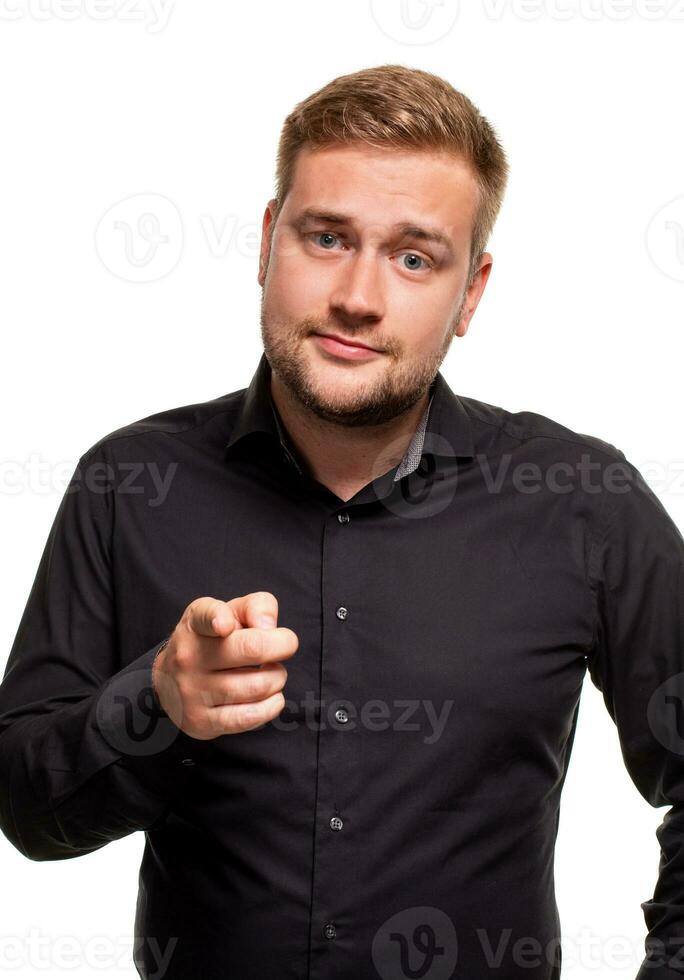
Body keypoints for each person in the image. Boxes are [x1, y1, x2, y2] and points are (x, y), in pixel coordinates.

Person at [0, 62, 682, 980]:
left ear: (470, 293)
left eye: (414, 257)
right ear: (267, 244)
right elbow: (24, 808)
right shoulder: (130, 483)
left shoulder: (582, 498)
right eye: (327, 238)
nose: (359, 296)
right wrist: (157, 704)